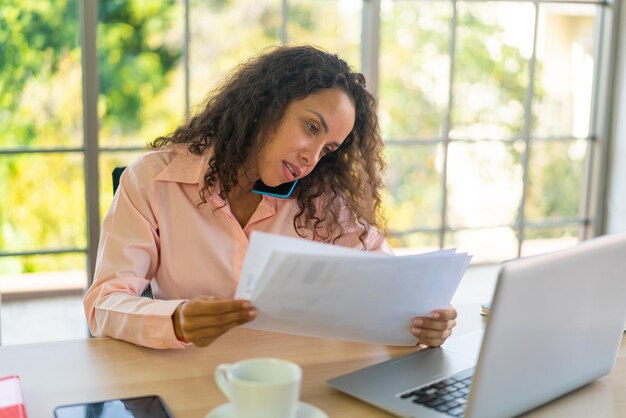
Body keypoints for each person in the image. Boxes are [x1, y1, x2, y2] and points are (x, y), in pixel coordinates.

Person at [83, 45, 457, 350]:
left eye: (328, 149)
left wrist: (426, 319)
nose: (312, 158)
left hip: (290, 381)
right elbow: (102, 304)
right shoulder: (153, 179)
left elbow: (392, 281)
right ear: (266, 106)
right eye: (311, 128)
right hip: (190, 378)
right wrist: (176, 319)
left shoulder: (321, 199)